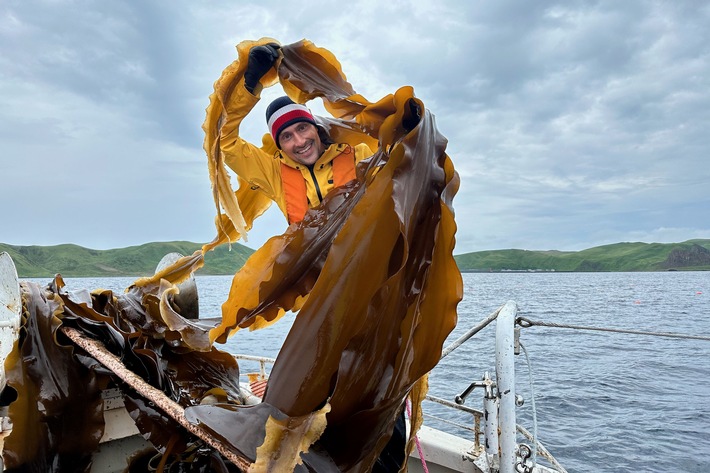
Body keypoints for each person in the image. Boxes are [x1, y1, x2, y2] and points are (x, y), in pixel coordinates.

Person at [220, 43, 374, 225]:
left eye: (302, 128)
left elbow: (399, 171)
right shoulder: (274, 175)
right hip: (311, 254)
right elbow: (224, 141)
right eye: (287, 136)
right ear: (280, 146)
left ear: (315, 127)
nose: (300, 142)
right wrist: (249, 84)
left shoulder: (358, 155)